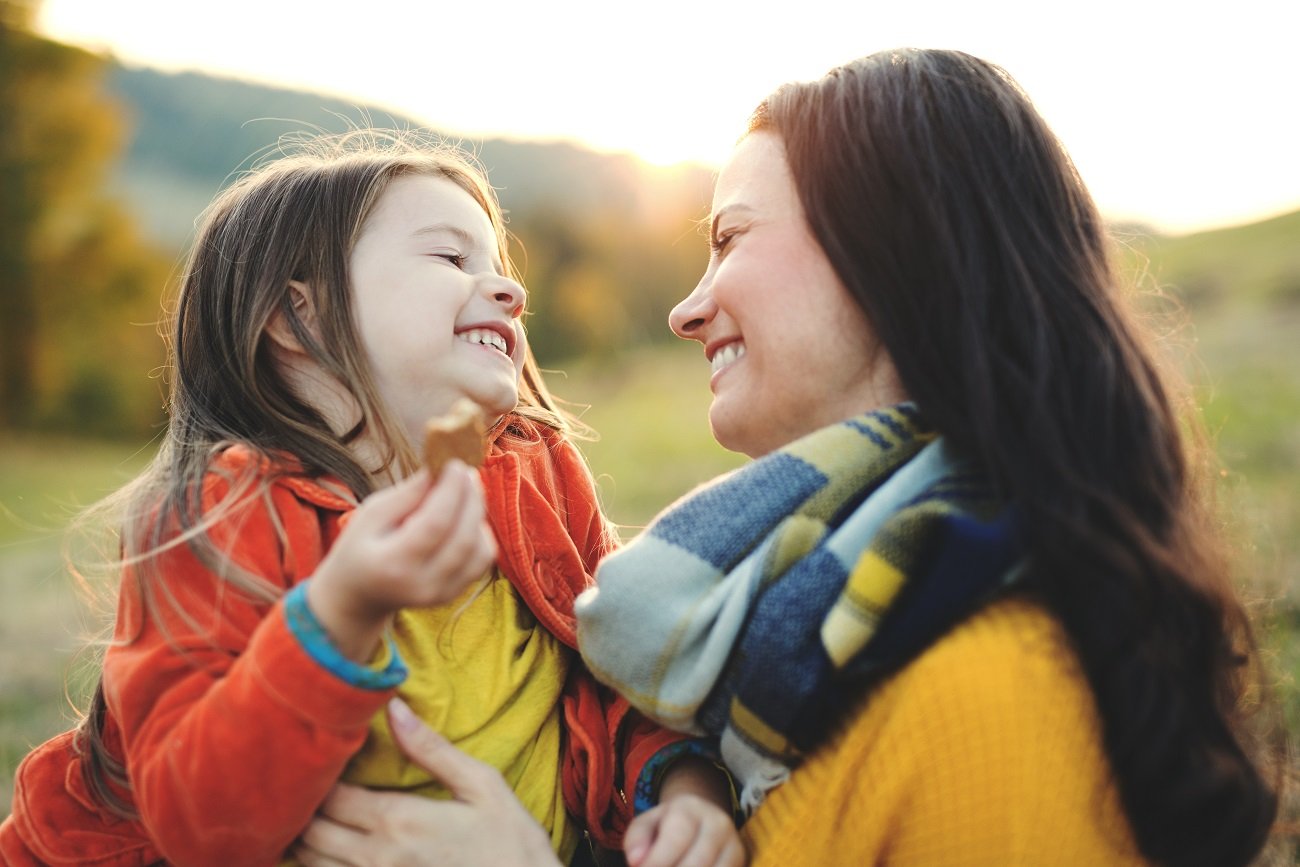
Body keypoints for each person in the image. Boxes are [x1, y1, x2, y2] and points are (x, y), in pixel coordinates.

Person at [574, 47, 1287, 867]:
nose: (685, 310)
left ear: (893, 245)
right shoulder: (825, 639)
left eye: (730, 237)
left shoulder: (987, 698)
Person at [0, 130, 741, 867]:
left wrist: (683, 783)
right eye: (453, 258)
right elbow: (201, 827)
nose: (512, 292)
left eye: (499, 266)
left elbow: (614, 675)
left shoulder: (537, 477)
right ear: (299, 320)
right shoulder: (220, 515)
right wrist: (343, 611)